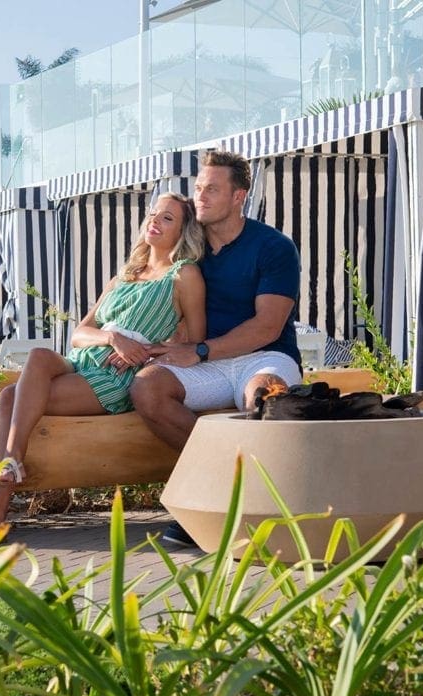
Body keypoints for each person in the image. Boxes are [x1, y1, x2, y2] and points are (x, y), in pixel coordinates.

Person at [0, 192, 206, 547]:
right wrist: (112, 338)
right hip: (86, 359)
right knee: (40, 357)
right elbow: (79, 334)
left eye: (167, 218)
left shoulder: (184, 275)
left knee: (10, 396)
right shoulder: (125, 275)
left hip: (115, 376)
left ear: (184, 231)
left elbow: (192, 344)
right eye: (154, 214)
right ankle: (8, 472)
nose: (155, 221)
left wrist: (142, 352)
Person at [127, 151, 303, 548]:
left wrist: (201, 351)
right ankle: (219, 493)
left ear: (239, 197)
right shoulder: (188, 245)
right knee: (147, 387)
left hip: (263, 355)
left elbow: (267, 326)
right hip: (204, 360)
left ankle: (258, 507)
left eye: (211, 189)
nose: (199, 197)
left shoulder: (273, 246)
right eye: (198, 187)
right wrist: (119, 340)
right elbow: (143, 277)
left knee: (264, 397)